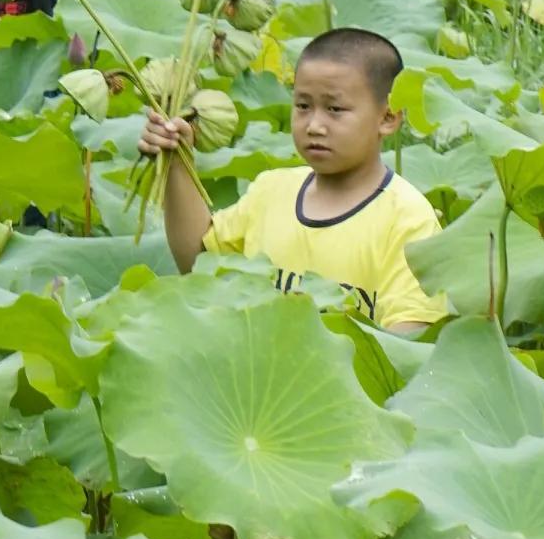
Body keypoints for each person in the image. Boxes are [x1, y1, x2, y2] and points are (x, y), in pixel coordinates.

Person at [141, 26, 449, 336]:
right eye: (303, 106)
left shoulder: (408, 219)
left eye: (335, 109)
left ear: (388, 118)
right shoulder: (271, 190)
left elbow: (408, 341)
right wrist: (176, 158)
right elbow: (198, 263)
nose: (314, 125)